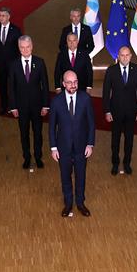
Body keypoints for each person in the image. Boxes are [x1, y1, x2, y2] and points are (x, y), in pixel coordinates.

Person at [49, 70, 96, 218]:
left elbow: (91, 123)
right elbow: (52, 127)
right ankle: (68, 203)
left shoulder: (85, 99)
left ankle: (80, 203)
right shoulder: (56, 101)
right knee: (65, 176)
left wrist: (90, 144)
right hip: (63, 148)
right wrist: (53, 148)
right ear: (63, 84)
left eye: (75, 82)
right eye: (69, 82)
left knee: (81, 175)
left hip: (82, 147)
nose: (73, 85)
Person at [102, 45, 137, 176]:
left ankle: (127, 163)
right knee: (115, 139)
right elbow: (105, 92)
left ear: (131, 56)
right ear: (118, 56)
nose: (125, 58)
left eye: (127, 55)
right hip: (115, 111)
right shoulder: (111, 70)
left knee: (129, 139)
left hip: (132, 111)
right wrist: (107, 111)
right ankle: (115, 163)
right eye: (122, 55)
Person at [8, 35, 50, 172]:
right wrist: (13, 106)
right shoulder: (14, 65)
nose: (25, 50)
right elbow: (11, 87)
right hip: (21, 107)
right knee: (24, 133)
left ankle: (38, 157)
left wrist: (45, 105)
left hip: (37, 106)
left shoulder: (39, 62)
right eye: (22, 47)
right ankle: (27, 157)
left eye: (27, 47)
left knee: (38, 133)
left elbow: (45, 84)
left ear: (32, 47)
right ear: (19, 48)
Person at [0, 7, 22, 114]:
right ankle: (4, 105)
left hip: (13, 64)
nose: (1, 18)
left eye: (3, 16)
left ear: (9, 17)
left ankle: (15, 105)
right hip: (0, 64)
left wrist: (18, 63)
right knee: (2, 86)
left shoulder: (16, 30)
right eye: (0, 15)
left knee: (14, 85)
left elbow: (20, 48)